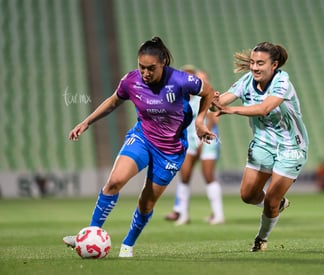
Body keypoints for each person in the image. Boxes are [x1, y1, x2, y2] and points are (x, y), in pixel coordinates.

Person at [62, 36, 216, 258]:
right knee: (114, 181)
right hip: (143, 138)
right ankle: (90, 233)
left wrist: (200, 121)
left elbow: (208, 91)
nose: (145, 73)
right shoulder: (131, 81)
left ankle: (128, 244)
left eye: (151, 68)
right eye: (141, 67)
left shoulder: (181, 80)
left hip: (170, 150)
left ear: (163, 62)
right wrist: (86, 122)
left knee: (146, 203)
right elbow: (114, 101)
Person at [212, 42, 309, 252]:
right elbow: (221, 102)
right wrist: (212, 99)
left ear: (274, 65)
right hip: (263, 143)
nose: (255, 68)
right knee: (247, 195)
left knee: (271, 199)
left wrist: (232, 110)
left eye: (260, 63)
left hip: (290, 145)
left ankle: (261, 239)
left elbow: (265, 108)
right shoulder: (246, 80)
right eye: (253, 62)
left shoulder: (282, 82)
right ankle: (277, 206)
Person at [164, 65, 225, 225]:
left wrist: (203, 141)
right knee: (184, 176)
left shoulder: (202, 97)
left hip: (207, 139)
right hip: (189, 141)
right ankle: (183, 215)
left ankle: (218, 215)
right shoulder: (180, 98)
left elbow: (212, 118)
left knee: (208, 175)